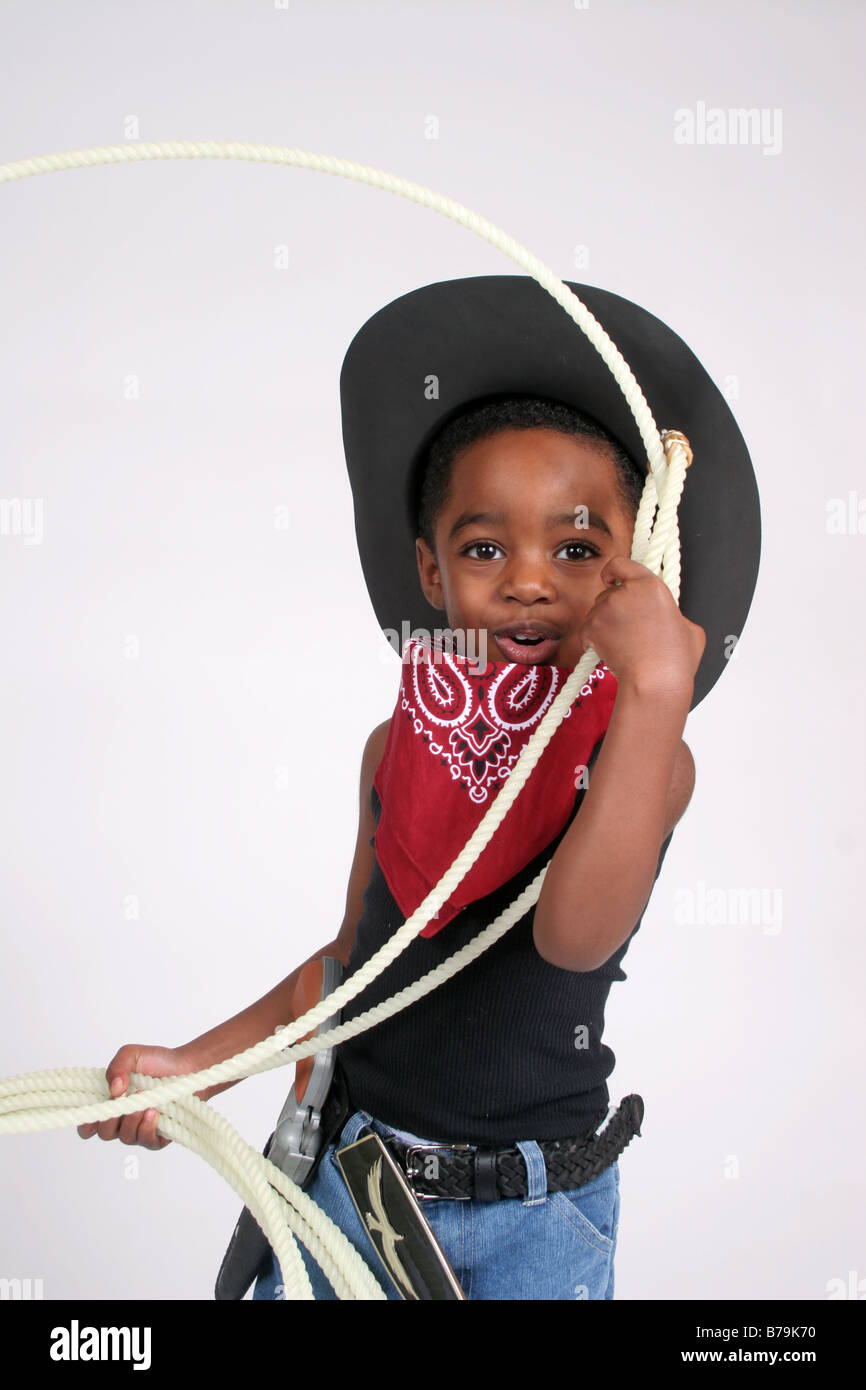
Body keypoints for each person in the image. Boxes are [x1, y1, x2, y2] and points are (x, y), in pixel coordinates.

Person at [78, 276, 761, 1301]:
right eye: (484, 547)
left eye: (577, 550)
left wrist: (656, 693)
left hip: (538, 1218)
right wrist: (203, 1062)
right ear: (429, 570)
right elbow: (363, 967)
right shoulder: (393, 747)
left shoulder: (644, 753)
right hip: (358, 1184)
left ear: (634, 572)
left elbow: (572, 935)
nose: (529, 578)